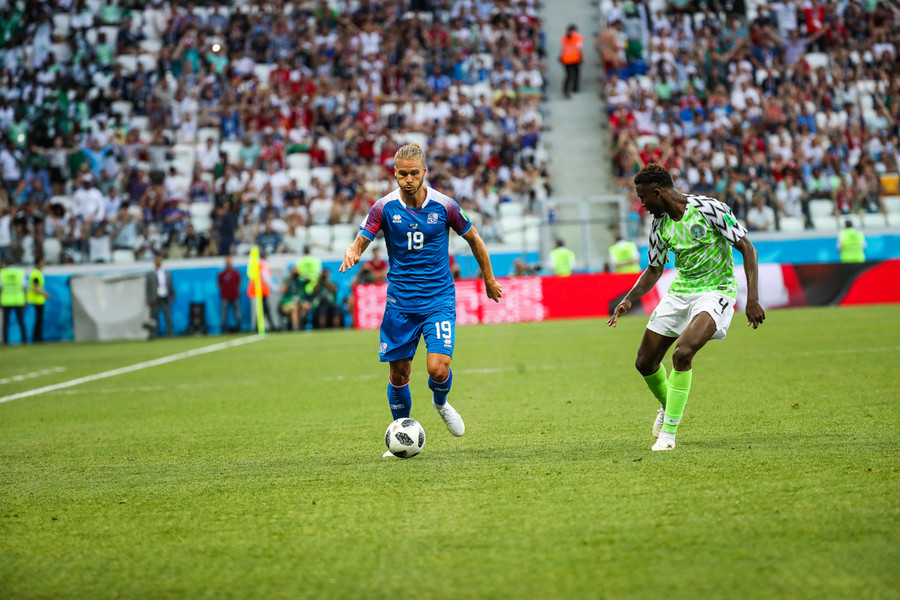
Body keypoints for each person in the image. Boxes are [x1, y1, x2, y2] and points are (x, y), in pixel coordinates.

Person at [339, 143, 502, 457]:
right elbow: (363, 238)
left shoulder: (445, 205)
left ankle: (440, 402)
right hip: (400, 304)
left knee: (438, 369)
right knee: (399, 374)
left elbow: (474, 239)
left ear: (424, 172)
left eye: (414, 173)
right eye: (402, 174)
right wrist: (353, 250)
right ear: (395, 173)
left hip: (438, 299)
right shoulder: (384, 207)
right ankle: (400, 433)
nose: (408, 179)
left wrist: (489, 278)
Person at [607, 163, 765, 451]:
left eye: (643, 198)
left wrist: (752, 299)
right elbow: (654, 269)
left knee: (683, 353)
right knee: (644, 362)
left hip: (715, 290)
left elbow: (748, 249)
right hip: (681, 291)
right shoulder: (659, 225)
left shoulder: (710, 209)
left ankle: (668, 435)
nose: (642, 206)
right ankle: (669, 405)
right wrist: (629, 298)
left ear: (657, 193)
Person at [145, 253, 176, 338]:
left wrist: (173, 296)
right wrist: (148, 300)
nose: (159, 262)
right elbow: (147, 288)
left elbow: (170, 285)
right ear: (155, 262)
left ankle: (170, 334)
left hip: (165, 297)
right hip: (154, 298)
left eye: (160, 260)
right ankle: (154, 334)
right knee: (154, 318)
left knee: (168, 316)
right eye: (157, 260)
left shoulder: (167, 273)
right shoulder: (150, 274)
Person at [0, 256, 27, 345]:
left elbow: (0, 288)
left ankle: (6, 342)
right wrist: (25, 300)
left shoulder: (2, 273)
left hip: (6, 300)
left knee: (5, 324)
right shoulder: (20, 272)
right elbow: (24, 287)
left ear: (6, 264)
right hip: (18, 300)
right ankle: (24, 341)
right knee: (21, 322)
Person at [279, 265, 312, 331]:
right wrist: (291, 277)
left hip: (299, 302)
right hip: (287, 303)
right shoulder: (288, 280)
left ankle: (301, 321)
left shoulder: (300, 281)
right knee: (294, 307)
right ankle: (295, 326)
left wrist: (301, 274)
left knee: (307, 306)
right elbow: (283, 291)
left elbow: (309, 280)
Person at [27, 257, 50, 343]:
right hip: (37, 300)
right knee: (38, 320)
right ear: (38, 263)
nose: (44, 263)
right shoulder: (36, 274)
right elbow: (36, 289)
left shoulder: (37, 273)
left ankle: (37, 338)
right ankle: (37, 339)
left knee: (39, 320)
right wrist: (45, 294)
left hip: (38, 299)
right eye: (42, 262)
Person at [217, 255, 241, 333]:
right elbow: (219, 284)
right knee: (224, 313)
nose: (228, 264)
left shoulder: (236, 273)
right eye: (227, 262)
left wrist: (235, 290)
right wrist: (223, 291)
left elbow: (239, 283)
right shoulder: (222, 274)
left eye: (229, 262)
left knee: (237, 312)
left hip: (235, 295)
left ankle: (239, 327)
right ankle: (223, 328)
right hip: (225, 296)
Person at [560, 24, 583, 99]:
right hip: (575, 58)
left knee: (569, 76)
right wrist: (582, 57)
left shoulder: (564, 38)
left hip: (566, 59)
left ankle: (567, 90)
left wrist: (561, 57)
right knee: (575, 74)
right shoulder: (578, 37)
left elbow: (563, 48)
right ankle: (574, 88)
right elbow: (579, 48)